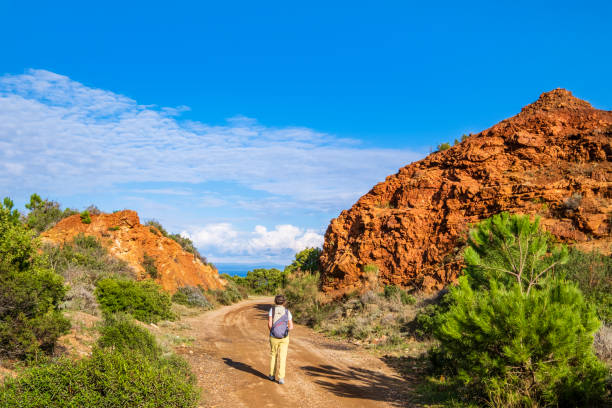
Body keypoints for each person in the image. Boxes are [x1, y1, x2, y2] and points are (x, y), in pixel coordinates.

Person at [268, 294, 293, 384]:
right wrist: (285, 331)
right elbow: (291, 327)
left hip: (273, 337)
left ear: (275, 301)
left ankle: (271, 375)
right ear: (284, 302)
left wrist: (273, 332)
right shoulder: (287, 311)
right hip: (284, 338)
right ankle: (281, 378)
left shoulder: (272, 310)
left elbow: (270, 324)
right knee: (283, 357)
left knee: (273, 355)